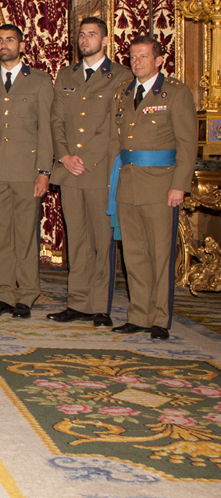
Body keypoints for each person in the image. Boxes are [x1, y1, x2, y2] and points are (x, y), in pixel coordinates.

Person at [108, 35, 195, 340]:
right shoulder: (123, 93)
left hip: (161, 186)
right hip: (129, 183)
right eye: (133, 57)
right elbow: (116, 143)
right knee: (133, 253)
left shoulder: (175, 93)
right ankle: (139, 314)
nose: (137, 62)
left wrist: (179, 186)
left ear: (159, 60)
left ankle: (160, 318)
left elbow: (187, 144)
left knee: (160, 254)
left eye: (144, 57)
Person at [48, 17, 130, 327]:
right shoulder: (66, 74)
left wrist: (85, 159)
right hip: (69, 171)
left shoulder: (120, 75)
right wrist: (65, 156)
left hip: (99, 171)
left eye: (92, 35)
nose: (85, 39)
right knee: (77, 238)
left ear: (106, 40)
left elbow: (115, 128)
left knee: (101, 240)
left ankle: (99, 306)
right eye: (82, 35)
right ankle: (77, 302)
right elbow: (56, 120)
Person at [0, 24, 54, 318]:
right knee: (1, 234)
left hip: (26, 170)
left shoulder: (40, 82)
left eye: (9, 40)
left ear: (21, 45)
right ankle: (3, 293)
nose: (3, 45)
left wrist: (44, 171)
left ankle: (27, 294)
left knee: (25, 234)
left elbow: (46, 129)